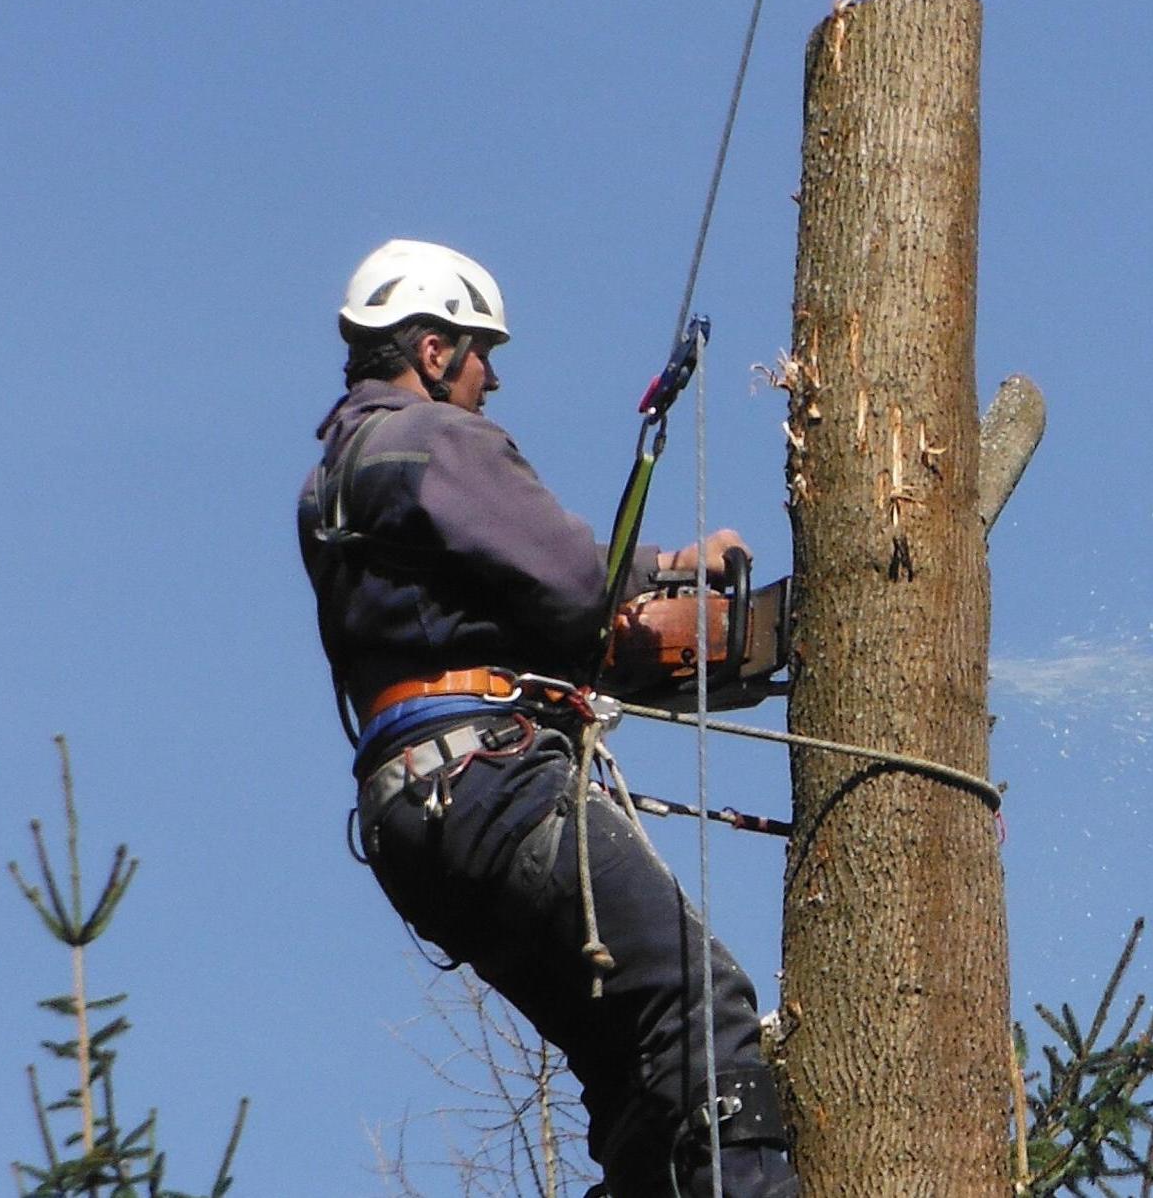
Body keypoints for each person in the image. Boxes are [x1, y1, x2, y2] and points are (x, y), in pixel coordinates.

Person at [297, 239, 798, 1198]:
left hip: (415, 821)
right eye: (481, 354)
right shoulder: (436, 440)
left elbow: (482, 621)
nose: (490, 379)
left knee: (626, 1065)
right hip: (489, 781)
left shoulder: (332, 483)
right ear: (434, 351)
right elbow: (573, 587)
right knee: (701, 1006)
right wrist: (666, 570)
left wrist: (640, 596)